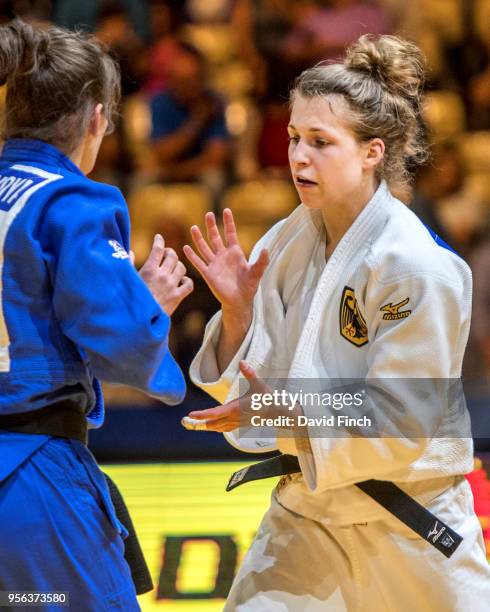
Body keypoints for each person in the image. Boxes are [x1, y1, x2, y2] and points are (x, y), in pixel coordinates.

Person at [182, 34, 490, 610]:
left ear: (373, 152)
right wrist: (237, 314)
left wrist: (277, 409)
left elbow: (402, 418)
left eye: (321, 142)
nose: (298, 156)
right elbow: (249, 387)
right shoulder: (288, 240)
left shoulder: (415, 265)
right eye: (295, 137)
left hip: (407, 518)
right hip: (308, 510)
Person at [0, 19, 192, 611]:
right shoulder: (69, 199)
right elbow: (124, 343)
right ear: (96, 118)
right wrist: (149, 307)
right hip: (29, 478)